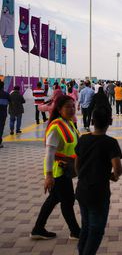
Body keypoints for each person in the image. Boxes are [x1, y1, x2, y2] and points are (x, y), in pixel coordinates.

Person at [30, 95, 80, 240]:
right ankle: (75, 231)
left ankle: (38, 228)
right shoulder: (56, 126)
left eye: (73, 106)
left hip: (67, 169)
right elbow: (49, 153)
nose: (71, 109)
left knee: (55, 199)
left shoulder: (68, 123)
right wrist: (49, 176)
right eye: (67, 107)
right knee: (68, 200)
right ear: (59, 109)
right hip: (58, 171)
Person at [75, 106, 122, 255]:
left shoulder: (83, 138)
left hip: (82, 190)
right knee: (96, 230)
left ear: (92, 121)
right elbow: (117, 168)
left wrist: (83, 175)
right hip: (99, 192)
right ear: (109, 122)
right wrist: (112, 176)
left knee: (86, 226)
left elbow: (77, 164)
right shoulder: (110, 142)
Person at [0, 80, 10, 148]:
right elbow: (10, 102)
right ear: (3, 86)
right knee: (1, 128)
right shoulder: (6, 94)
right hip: (2, 114)